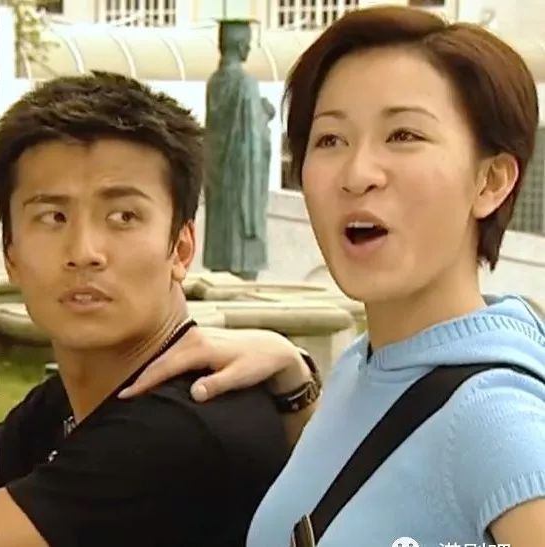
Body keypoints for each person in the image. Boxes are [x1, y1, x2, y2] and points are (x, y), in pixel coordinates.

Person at [121, 6, 545, 547]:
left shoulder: (497, 420)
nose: (357, 174)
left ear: (491, 182)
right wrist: (293, 375)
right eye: (330, 140)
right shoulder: (368, 363)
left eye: (404, 135)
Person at [0, 71, 290, 546]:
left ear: (181, 248)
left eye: (123, 217)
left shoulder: (185, 426)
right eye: (53, 217)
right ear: (11, 256)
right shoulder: (68, 401)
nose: (84, 252)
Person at [203, 19, 269, 281]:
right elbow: (252, 137)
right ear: (241, 45)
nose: (249, 49)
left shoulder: (214, 82)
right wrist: (264, 116)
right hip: (242, 184)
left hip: (219, 181)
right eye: (248, 43)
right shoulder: (245, 83)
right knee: (243, 268)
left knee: (221, 258)